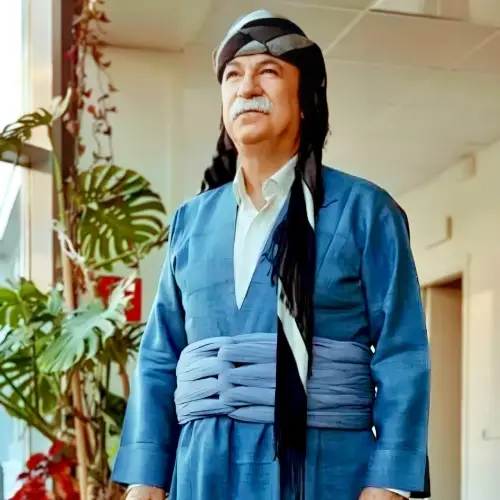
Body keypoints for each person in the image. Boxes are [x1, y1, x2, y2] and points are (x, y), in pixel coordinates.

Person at [111, 10, 431, 500]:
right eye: (233, 75)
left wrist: (388, 483)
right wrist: (145, 478)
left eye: (268, 71)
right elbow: (159, 357)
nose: (247, 87)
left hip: (326, 469)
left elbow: (402, 352)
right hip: (202, 471)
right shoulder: (190, 223)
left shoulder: (367, 212)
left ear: (306, 100)